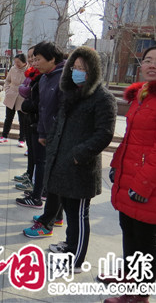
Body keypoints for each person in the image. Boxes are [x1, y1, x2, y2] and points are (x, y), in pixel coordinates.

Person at [39, 46, 117, 271]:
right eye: (74, 67)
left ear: (93, 70)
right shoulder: (71, 94)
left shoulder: (103, 98)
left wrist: (77, 156)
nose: (76, 71)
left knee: (79, 214)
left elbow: (104, 134)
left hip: (81, 168)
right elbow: (59, 124)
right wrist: (53, 144)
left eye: (82, 68)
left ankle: (76, 259)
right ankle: (70, 245)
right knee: (70, 211)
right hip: (62, 164)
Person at [104, 45, 156, 303]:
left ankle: (139, 296)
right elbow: (131, 139)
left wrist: (142, 185)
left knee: (146, 238)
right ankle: (131, 276)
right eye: (148, 60)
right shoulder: (144, 95)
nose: (152, 64)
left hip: (152, 184)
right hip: (130, 175)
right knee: (129, 229)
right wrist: (117, 165)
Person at [21, 41, 65, 227]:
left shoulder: (64, 78)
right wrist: (41, 132)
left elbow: (62, 111)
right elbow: (43, 107)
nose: (34, 63)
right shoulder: (46, 77)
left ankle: (52, 216)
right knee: (50, 175)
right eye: (33, 59)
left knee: (53, 177)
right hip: (44, 133)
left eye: (37, 59)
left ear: (52, 58)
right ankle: (55, 215)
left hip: (59, 138)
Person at [14, 45, 38, 187]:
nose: (31, 60)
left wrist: (24, 89)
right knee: (32, 151)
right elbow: (24, 88)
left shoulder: (40, 75)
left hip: (36, 119)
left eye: (34, 57)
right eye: (29, 57)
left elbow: (27, 90)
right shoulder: (31, 73)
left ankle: (33, 181)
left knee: (37, 156)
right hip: (29, 116)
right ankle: (29, 174)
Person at [0, 54, 28, 148]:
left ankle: (22, 139)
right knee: (8, 118)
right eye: (15, 62)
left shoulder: (29, 70)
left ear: (24, 62)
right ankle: (4, 136)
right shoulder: (13, 69)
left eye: (19, 62)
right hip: (11, 95)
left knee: (22, 120)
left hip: (22, 97)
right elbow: (7, 80)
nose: (17, 64)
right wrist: (7, 90)